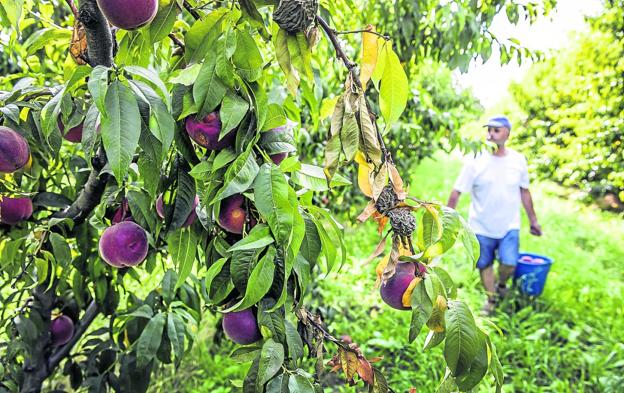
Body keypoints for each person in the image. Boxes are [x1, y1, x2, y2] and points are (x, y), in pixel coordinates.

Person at [447, 115, 542, 315]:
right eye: (489, 129)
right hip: (481, 225)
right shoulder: (475, 160)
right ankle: (491, 300)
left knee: (509, 262)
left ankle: (501, 285)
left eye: (496, 130)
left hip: (509, 224)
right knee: (484, 264)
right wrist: (446, 220)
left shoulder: (518, 160)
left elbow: (525, 191)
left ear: (508, 133)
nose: (491, 134)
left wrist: (533, 220)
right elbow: (457, 191)